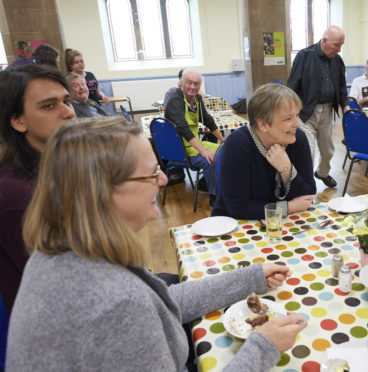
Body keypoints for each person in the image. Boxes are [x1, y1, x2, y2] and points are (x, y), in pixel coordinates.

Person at [6, 117, 307, 371]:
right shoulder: (115, 304)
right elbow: (136, 307)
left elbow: (162, 299)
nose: (163, 180)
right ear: (102, 192)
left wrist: (250, 277)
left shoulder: (65, 250)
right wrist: (263, 347)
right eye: (151, 173)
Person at [0, 65, 76, 315]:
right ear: (17, 120)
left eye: (66, 101)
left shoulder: (54, 167)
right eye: (49, 106)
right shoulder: (16, 196)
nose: (68, 113)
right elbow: (65, 290)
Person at [212, 83, 316, 220]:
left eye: (297, 115)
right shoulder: (237, 145)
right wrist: (289, 207)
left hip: (282, 223)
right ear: (262, 124)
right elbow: (238, 208)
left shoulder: (297, 138)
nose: (297, 123)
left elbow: (308, 194)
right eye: (289, 118)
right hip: (235, 225)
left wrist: (286, 170)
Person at [287, 25, 350, 188]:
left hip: (327, 111)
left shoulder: (337, 60)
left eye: (342, 45)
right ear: (324, 41)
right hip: (305, 112)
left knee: (328, 150)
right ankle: (306, 187)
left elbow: (342, 87)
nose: (339, 49)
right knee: (308, 152)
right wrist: (290, 112)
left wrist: (346, 106)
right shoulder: (304, 56)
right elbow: (291, 86)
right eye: (337, 44)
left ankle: (322, 173)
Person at [165, 70, 225, 203]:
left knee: (227, 151)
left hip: (195, 144)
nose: (192, 87)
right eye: (189, 83)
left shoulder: (197, 99)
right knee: (210, 159)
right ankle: (215, 199)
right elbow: (183, 129)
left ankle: (211, 184)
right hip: (181, 151)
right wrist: (203, 152)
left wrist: (223, 140)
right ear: (182, 83)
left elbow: (208, 120)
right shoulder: (176, 101)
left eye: (196, 84)